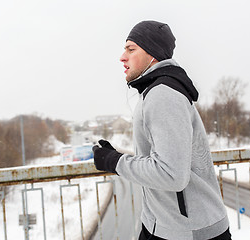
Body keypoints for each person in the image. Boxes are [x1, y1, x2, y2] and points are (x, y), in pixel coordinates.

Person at [92, 20, 231, 240]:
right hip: (163, 225)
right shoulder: (155, 91)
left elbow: (171, 174)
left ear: (153, 54)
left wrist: (114, 161)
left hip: (190, 232)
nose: (122, 57)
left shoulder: (163, 95)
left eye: (131, 49)